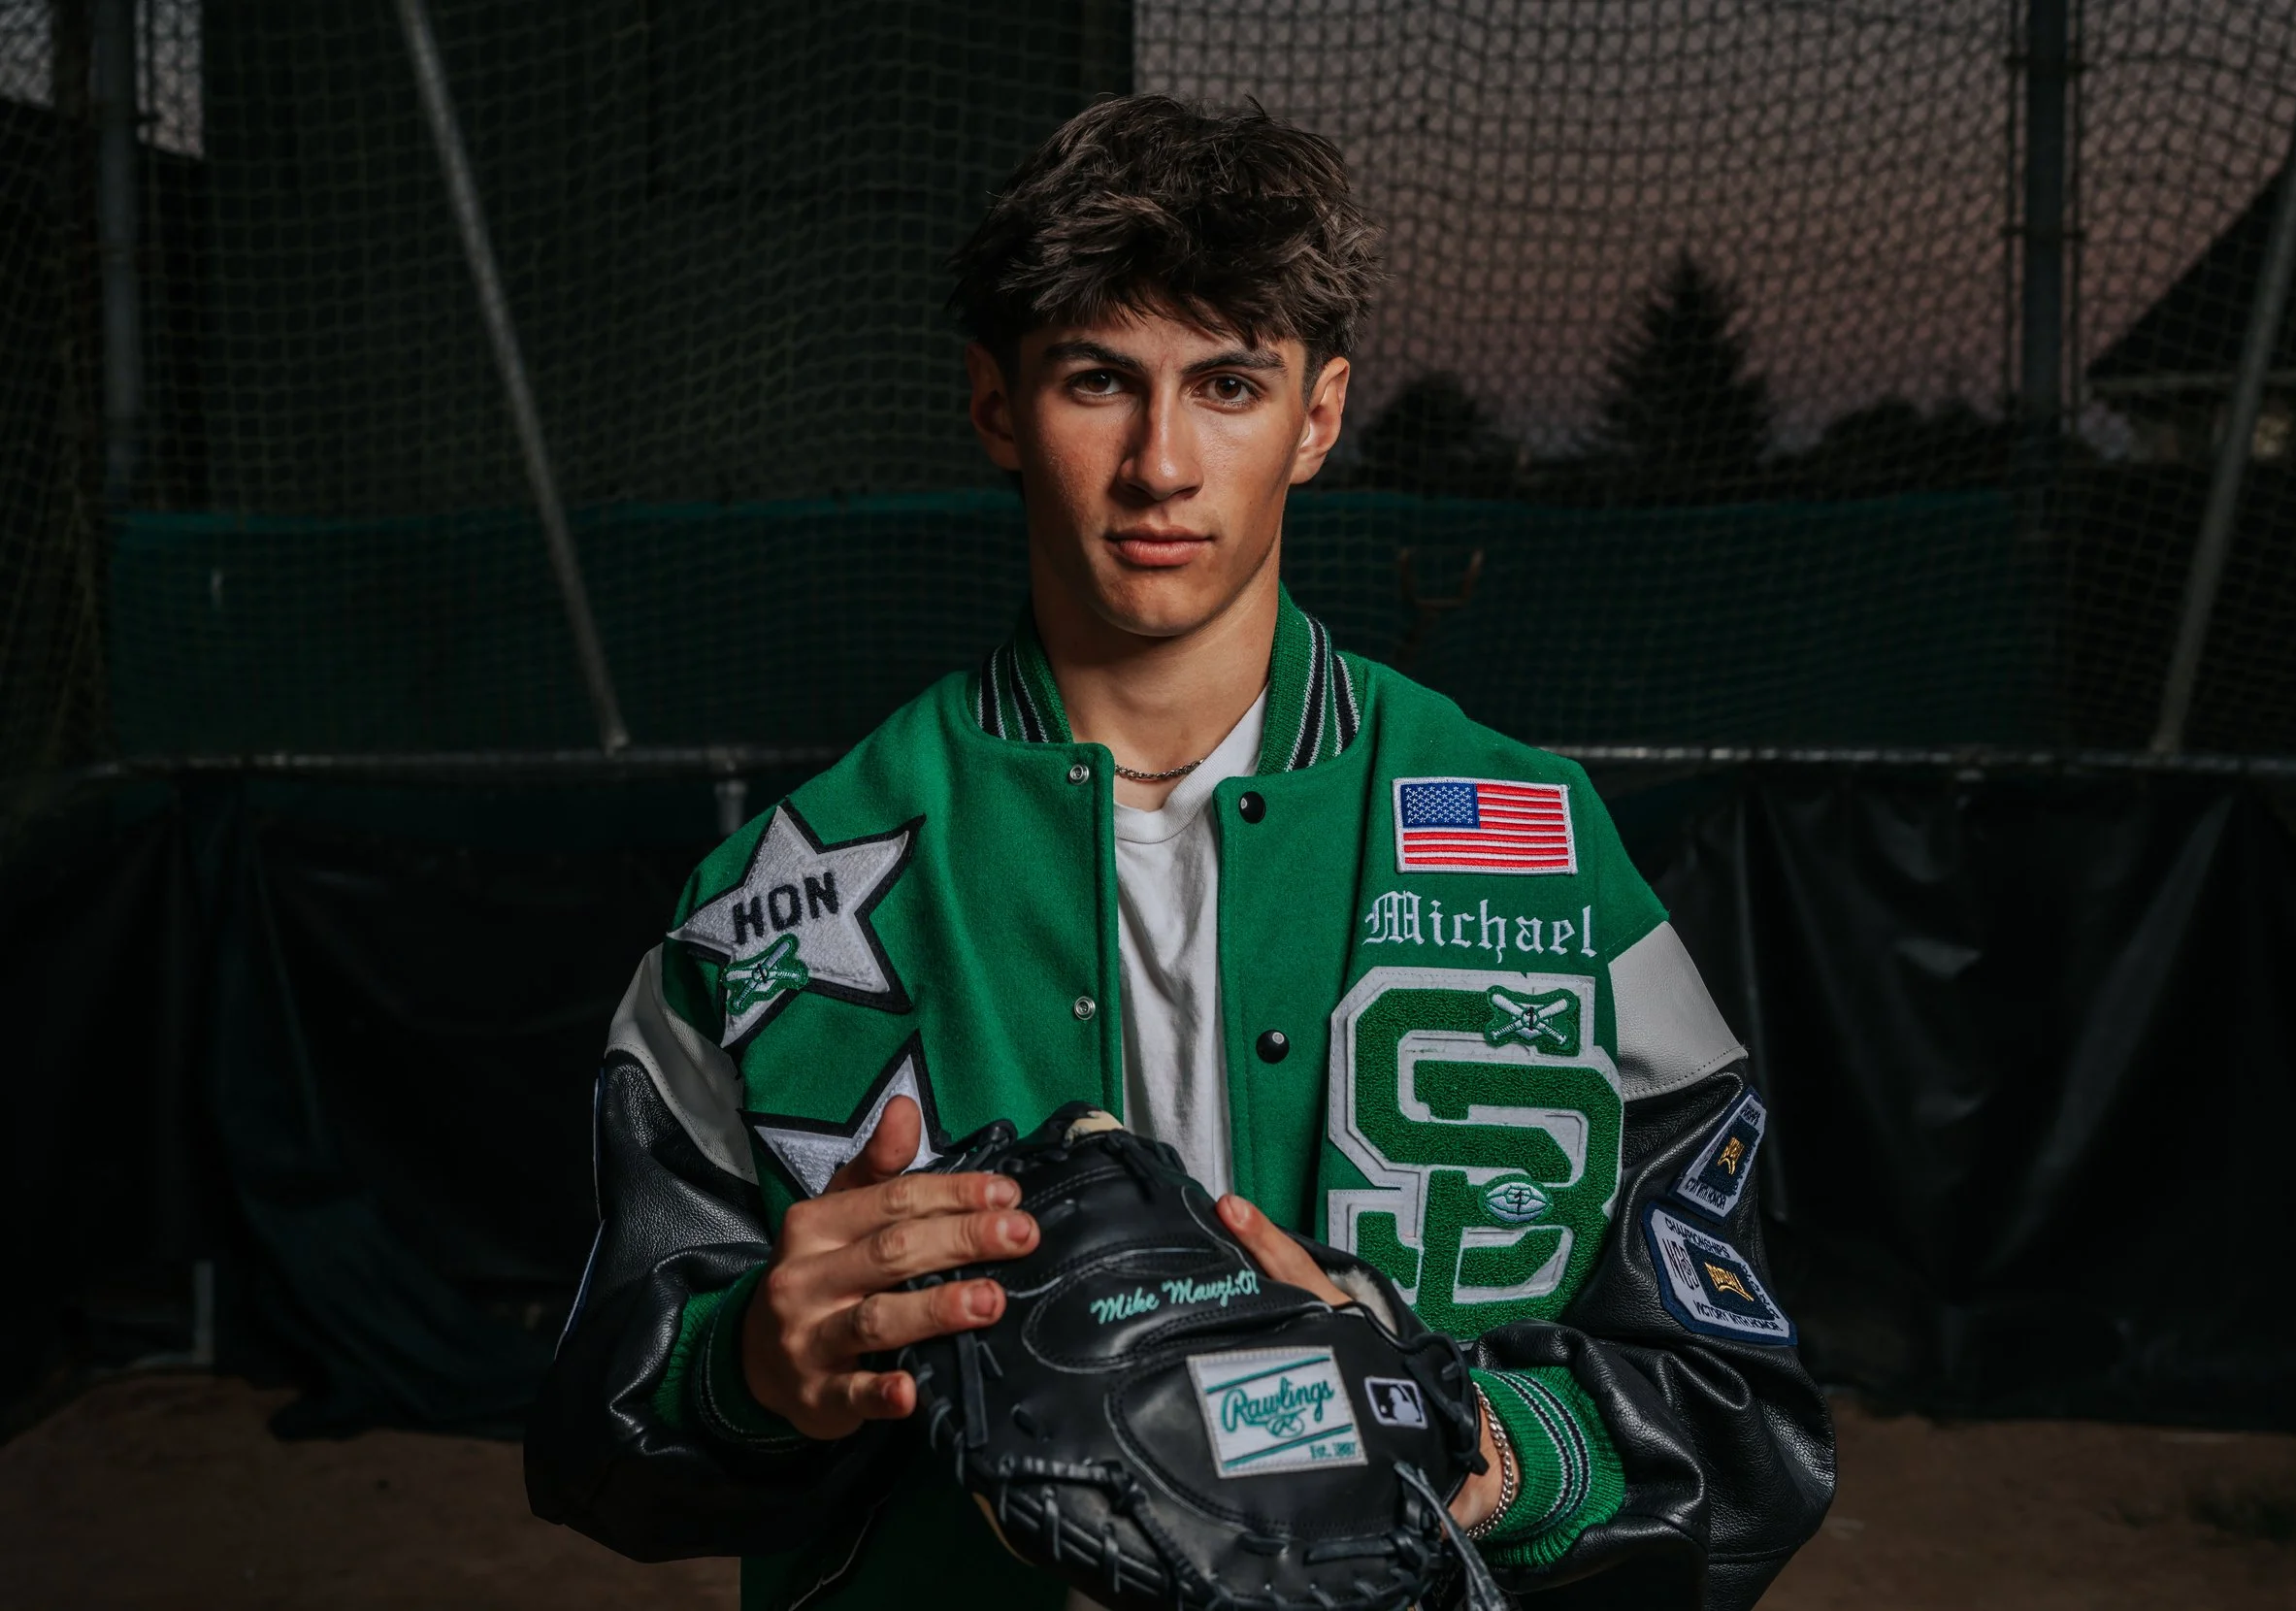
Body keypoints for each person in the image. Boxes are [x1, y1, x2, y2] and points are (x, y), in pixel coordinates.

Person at [526, 94, 1833, 1610]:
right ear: (997, 405)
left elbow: (1749, 1425)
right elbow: (595, 1436)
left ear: (1319, 417)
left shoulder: (1540, 855)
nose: (1161, 464)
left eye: (1227, 384)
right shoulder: (774, 903)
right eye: (1099, 380)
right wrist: (755, 1366)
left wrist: (1473, 1440)